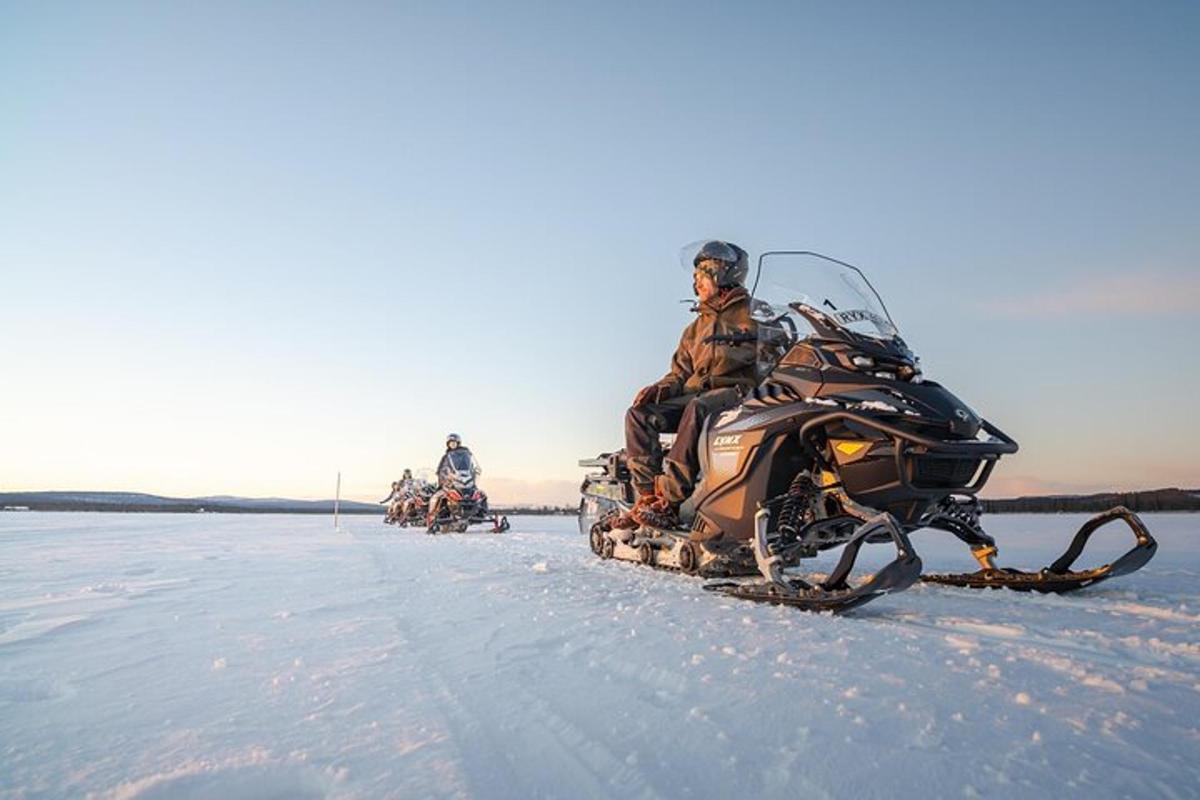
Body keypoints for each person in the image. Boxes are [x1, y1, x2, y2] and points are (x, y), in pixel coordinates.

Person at [617, 240, 759, 530]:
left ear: (721, 273)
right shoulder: (694, 329)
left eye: (701, 275)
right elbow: (680, 374)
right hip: (698, 395)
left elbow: (776, 352)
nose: (696, 283)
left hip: (738, 392)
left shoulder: (755, 314)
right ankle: (647, 500)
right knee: (639, 416)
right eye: (694, 278)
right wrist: (662, 389)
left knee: (697, 407)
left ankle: (670, 502)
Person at [426, 433, 481, 526]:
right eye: (450, 443)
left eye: (454, 443)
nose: (452, 445)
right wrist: (440, 472)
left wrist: (475, 471)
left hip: (464, 478)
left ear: (458, 443)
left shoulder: (465, 454)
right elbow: (441, 467)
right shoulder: (446, 456)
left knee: (480, 493)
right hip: (451, 479)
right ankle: (433, 515)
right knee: (438, 495)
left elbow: (471, 465)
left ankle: (481, 512)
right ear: (448, 444)